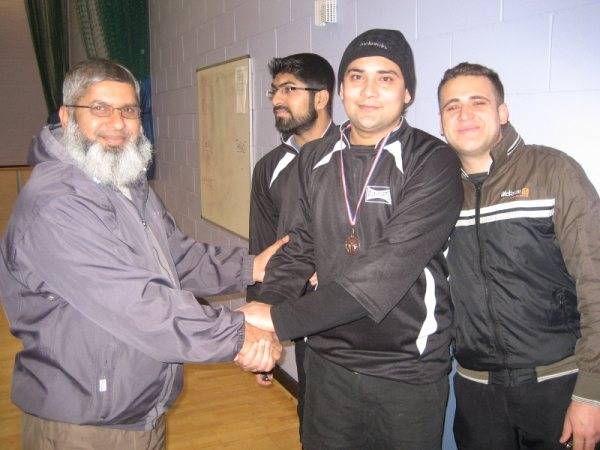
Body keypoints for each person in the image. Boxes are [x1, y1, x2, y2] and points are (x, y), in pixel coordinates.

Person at [0, 58, 284, 450]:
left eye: (129, 110)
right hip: (84, 425)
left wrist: (252, 266)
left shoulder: (125, 184)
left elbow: (178, 258)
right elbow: (137, 304)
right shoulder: (57, 203)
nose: (117, 123)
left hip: (138, 409)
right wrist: (238, 332)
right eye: (99, 108)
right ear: (67, 117)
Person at [241, 29, 463, 449]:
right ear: (341, 87)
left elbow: (384, 273)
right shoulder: (313, 157)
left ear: (408, 92)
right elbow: (297, 248)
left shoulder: (432, 161)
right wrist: (266, 310)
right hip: (328, 364)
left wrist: (276, 320)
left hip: (406, 369)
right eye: (357, 76)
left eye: (387, 78)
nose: (369, 91)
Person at [437, 62, 600, 450]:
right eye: (451, 106)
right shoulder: (437, 192)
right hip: (477, 392)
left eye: (478, 102)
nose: (465, 115)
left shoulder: (552, 171)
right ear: (441, 119)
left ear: (502, 111)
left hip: (558, 385)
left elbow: (595, 282)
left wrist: (591, 392)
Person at [247, 52, 336, 433]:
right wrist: (260, 333)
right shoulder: (270, 168)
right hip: (300, 316)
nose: (276, 99)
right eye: (274, 90)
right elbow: (263, 255)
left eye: (289, 90)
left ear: (322, 97)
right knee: (314, 421)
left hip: (357, 320)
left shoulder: (356, 156)